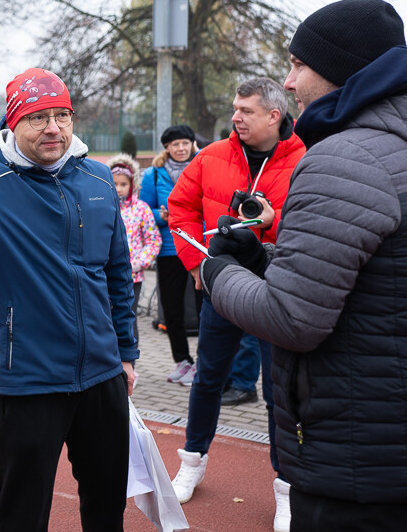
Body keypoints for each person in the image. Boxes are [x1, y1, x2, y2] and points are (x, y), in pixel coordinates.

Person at [199, 0, 407, 531]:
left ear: (340, 71)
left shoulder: (346, 158)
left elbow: (292, 320)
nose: (290, 80)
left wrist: (216, 274)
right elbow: (370, 279)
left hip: (362, 466)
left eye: (299, 64)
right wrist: (262, 260)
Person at [0, 67, 138, 532]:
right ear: (12, 123)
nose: (54, 128)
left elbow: (118, 273)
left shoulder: (100, 180)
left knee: (107, 510)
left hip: (102, 378)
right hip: (27, 384)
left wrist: (127, 354)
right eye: (39, 118)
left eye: (63, 115)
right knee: (22, 516)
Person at [168, 77, 306, 519]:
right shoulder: (210, 156)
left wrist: (274, 219)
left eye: (245, 111)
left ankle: (286, 489)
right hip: (222, 287)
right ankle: (191, 463)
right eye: (234, 108)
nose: (235, 117)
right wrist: (197, 266)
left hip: (277, 291)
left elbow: (318, 219)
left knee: (278, 391)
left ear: (274, 115)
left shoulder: (308, 157)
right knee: (208, 379)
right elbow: (180, 208)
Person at [140, 124, 202, 384]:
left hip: (198, 247)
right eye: (175, 144)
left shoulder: (202, 167)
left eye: (185, 143)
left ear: (192, 145)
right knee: (173, 309)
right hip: (168, 250)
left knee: (203, 309)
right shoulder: (153, 175)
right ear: (166, 147)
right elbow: (143, 210)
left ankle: (203, 363)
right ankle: (182, 361)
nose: (180, 148)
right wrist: (160, 216)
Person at [108, 153, 162, 342]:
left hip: (133, 275)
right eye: (115, 184)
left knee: (127, 319)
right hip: (105, 275)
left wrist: (140, 262)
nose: (119, 189)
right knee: (107, 320)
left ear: (132, 185)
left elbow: (153, 239)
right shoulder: (104, 207)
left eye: (124, 184)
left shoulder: (141, 209)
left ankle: (130, 363)